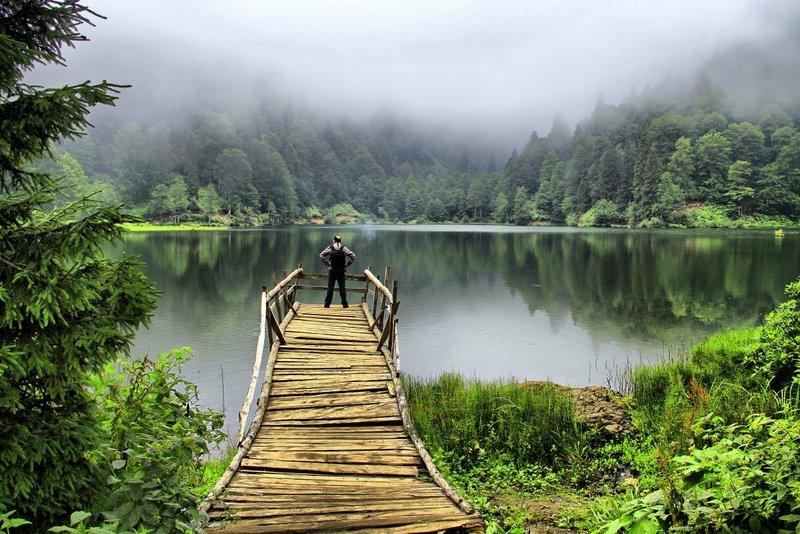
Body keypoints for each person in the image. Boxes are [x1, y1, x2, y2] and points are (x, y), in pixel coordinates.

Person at [319, 235, 357, 308]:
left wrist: (327, 263)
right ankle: (345, 304)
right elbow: (353, 256)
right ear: (340, 241)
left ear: (334, 240)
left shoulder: (331, 247)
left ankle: (327, 304)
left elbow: (321, 255)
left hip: (332, 270)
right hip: (341, 271)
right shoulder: (343, 248)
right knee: (342, 287)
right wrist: (347, 264)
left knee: (330, 287)